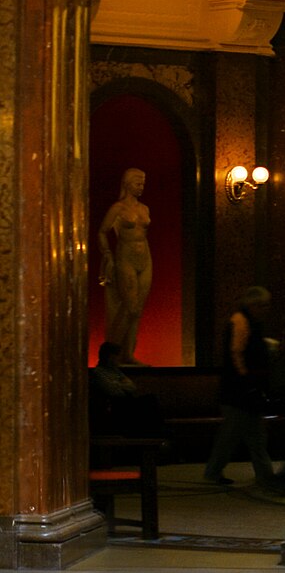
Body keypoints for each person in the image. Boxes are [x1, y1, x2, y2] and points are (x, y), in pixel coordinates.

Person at [204, 286, 283, 492]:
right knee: (234, 436)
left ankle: (263, 476)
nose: (267, 309)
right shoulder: (240, 322)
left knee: (251, 436)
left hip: (242, 389)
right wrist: (247, 380)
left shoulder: (248, 321)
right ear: (253, 305)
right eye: (263, 305)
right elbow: (236, 354)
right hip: (238, 391)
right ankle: (216, 472)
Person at [97, 167, 153, 366]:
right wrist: (107, 254)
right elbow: (102, 231)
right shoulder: (118, 208)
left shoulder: (144, 208)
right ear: (128, 184)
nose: (141, 187)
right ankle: (111, 354)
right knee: (129, 307)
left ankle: (128, 354)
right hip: (125, 257)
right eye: (138, 184)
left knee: (137, 310)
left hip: (145, 257)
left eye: (143, 184)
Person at [88, 341, 164, 437]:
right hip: (116, 407)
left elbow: (132, 387)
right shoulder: (98, 373)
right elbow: (114, 392)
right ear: (110, 357)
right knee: (149, 402)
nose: (119, 359)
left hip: (124, 404)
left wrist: (117, 384)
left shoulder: (116, 371)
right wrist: (121, 384)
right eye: (118, 356)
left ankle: (155, 432)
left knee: (150, 400)